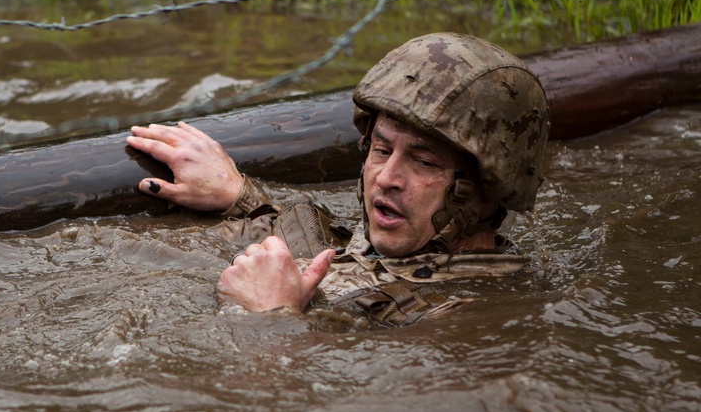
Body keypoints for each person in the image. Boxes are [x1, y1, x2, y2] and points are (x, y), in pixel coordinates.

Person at [127, 32, 551, 326]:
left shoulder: (473, 319)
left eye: (423, 163)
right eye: (381, 150)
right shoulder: (386, 243)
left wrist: (268, 319)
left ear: (486, 191)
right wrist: (238, 193)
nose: (386, 178)